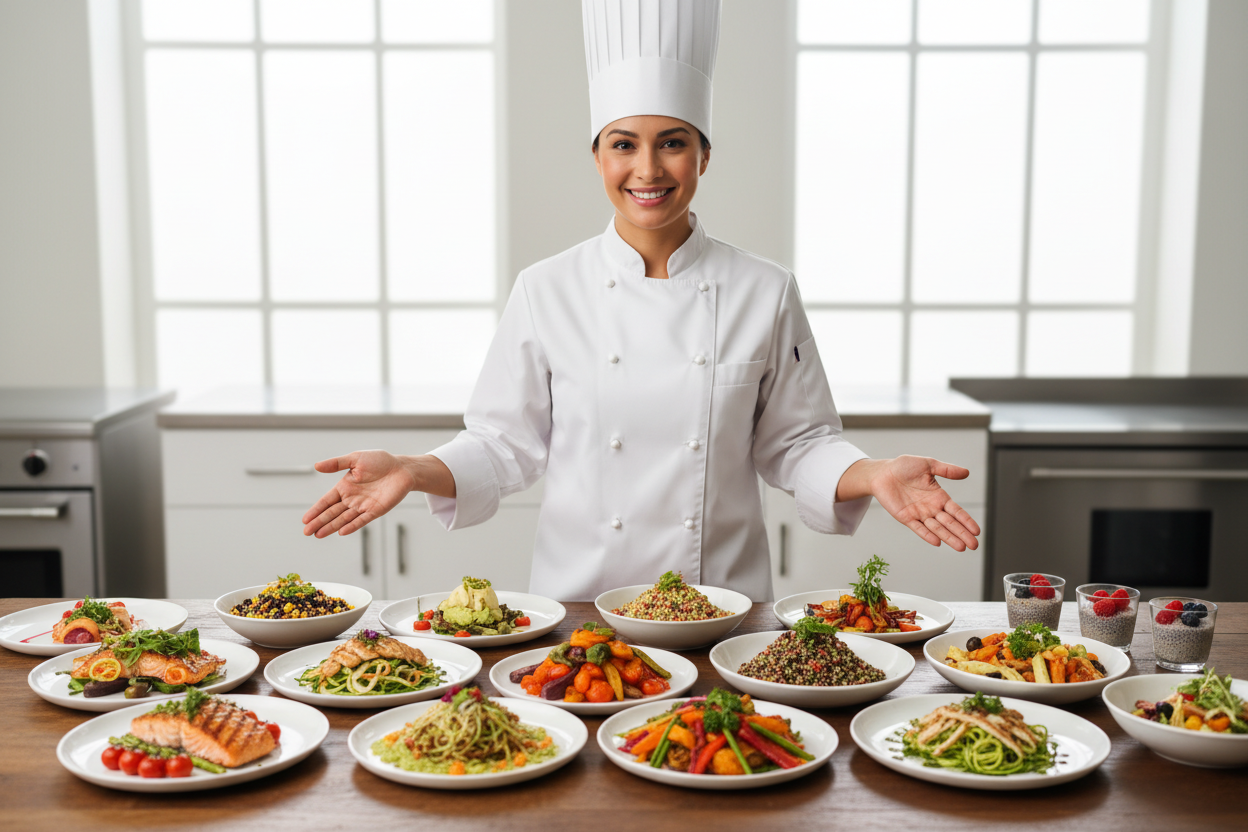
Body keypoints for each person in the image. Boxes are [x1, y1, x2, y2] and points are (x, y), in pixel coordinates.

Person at [302, 0, 980, 602]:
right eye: (624, 145)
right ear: (598, 157)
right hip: (581, 617)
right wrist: (414, 470)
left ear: (704, 156)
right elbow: (502, 444)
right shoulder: (547, 289)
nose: (648, 170)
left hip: (721, 616)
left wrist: (874, 473)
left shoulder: (764, 290)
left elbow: (798, 444)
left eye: (673, 144)